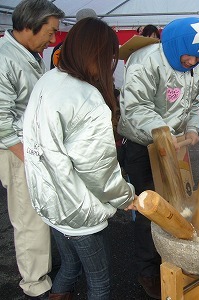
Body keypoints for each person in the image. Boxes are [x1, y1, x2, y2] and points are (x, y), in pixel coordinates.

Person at [118, 17, 199, 299]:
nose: (193, 61)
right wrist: (164, 132)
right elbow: (135, 107)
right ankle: (148, 270)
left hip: (173, 146)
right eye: (190, 54)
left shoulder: (197, 66)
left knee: (175, 204)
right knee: (149, 209)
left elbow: (194, 103)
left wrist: (193, 128)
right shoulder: (145, 60)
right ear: (176, 44)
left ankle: (170, 257)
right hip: (141, 145)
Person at [23, 18, 138, 300]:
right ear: (98, 54)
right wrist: (126, 198)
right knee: (99, 283)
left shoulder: (48, 79)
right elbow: (98, 169)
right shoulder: (87, 98)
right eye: (110, 55)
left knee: (71, 266)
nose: (111, 63)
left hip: (49, 201)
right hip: (78, 211)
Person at [0, 1, 64, 299]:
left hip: (31, 147)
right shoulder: (4, 58)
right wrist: (29, 158)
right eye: (50, 32)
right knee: (28, 215)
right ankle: (34, 282)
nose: (52, 40)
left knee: (40, 210)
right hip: (16, 149)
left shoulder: (28, 54)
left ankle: (43, 267)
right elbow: (1, 120)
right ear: (28, 25)